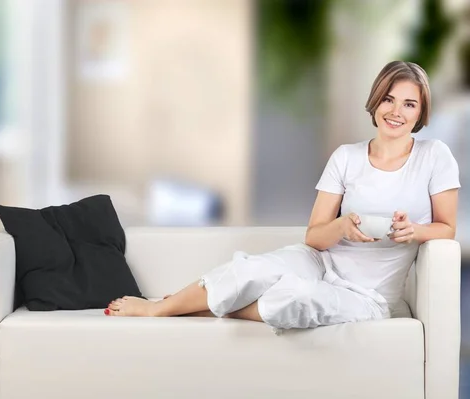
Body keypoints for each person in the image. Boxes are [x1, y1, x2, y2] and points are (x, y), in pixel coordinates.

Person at [105, 61, 461, 330]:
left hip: (368, 296)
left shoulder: (434, 156)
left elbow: (447, 228)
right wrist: (341, 227)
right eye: (389, 99)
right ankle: (158, 308)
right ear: (375, 102)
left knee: (296, 299)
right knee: (250, 271)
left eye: (409, 104)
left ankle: (198, 306)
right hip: (322, 262)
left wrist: (414, 231)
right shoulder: (346, 156)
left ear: (421, 112)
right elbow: (314, 236)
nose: (396, 112)